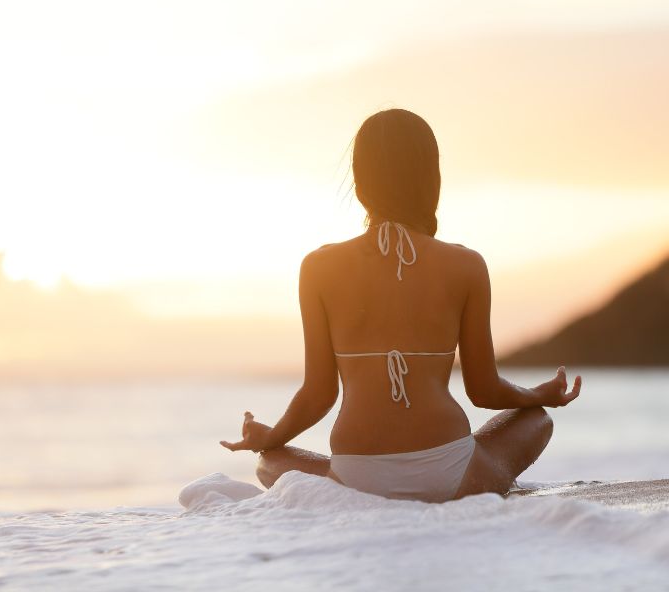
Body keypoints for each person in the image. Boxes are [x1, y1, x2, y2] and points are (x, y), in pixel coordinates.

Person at [220, 108, 581, 502]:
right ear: (432, 179)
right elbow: (484, 390)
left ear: (359, 183)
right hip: (455, 475)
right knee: (536, 421)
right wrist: (536, 395)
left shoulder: (318, 268)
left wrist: (270, 437)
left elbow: (318, 394)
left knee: (268, 460)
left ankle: (329, 479)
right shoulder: (467, 265)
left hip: (355, 477)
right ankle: (474, 482)